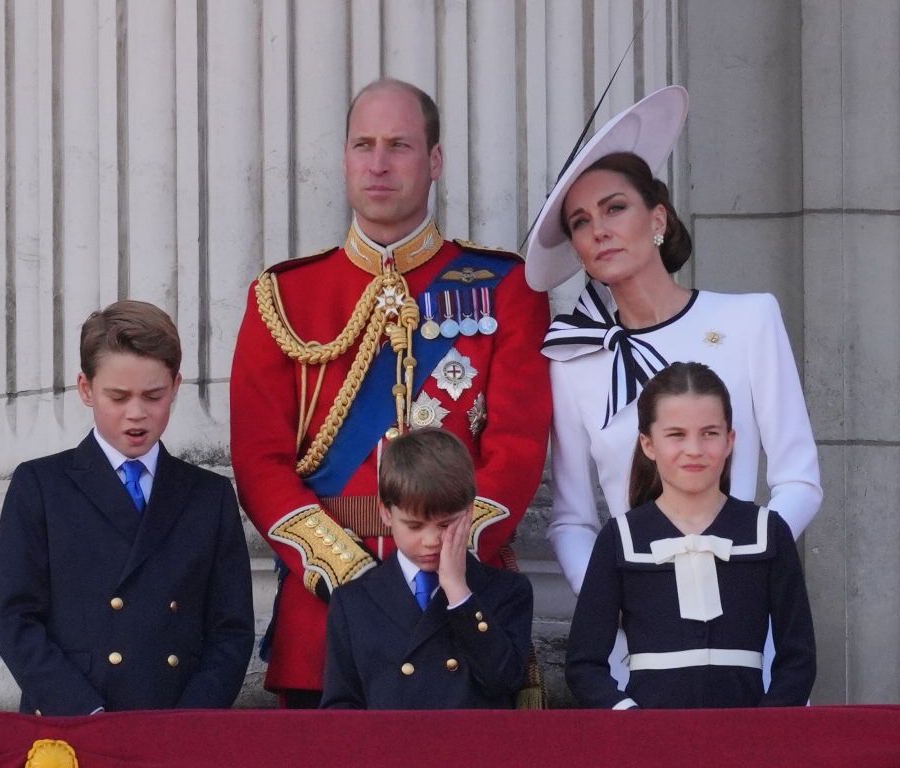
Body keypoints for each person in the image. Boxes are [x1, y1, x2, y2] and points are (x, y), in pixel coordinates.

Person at [230, 78, 551, 706]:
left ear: (434, 161)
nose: (378, 164)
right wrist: (348, 576)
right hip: (325, 618)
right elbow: (258, 461)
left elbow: (515, 448)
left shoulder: (507, 286)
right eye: (363, 145)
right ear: (345, 157)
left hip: (461, 605)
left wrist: (445, 561)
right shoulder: (283, 297)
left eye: (399, 145)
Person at [524, 86, 821, 685]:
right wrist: (625, 591)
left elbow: (799, 481)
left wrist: (742, 568)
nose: (599, 230)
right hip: (629, 649)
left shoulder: (749, 319)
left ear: (657, 218)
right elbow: (573, 520)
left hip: (739, 627)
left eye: (615, 209)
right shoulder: (573, 359)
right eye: (582, 222)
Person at [0, 300, 254, 715]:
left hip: (174, 730)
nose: (136, 414)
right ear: (85, 389)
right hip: (72, 725)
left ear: (176, 386)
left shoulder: (209, 496)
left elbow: (231, 631)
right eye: (118, 396)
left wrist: (188, 724)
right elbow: (16, 621)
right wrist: (84, 715)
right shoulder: (41, 486)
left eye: (154, 396)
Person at [565, 362, 816, 708]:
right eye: (676, 434)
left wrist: (764, 728)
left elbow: (798, 658)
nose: (695, 449)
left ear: (730, 440)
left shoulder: (767, 532)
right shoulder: (620, 537)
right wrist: (630, 719)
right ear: (648, 444)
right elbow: (583, 664)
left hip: (747, 745)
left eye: (710, 433)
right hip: (650, 744)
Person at [321, 428, 533, 709]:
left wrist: (460, 594)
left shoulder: (506, 591)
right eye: (415, 526)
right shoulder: (354, 601)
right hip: (388, 749)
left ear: (470, 512)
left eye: (446, 525)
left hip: (473, 749)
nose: (431, 541)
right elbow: (341, 708)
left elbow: (504, 680)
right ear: (386, 512)